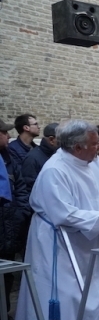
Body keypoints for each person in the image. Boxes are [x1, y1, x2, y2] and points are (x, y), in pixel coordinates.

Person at [13, 120, 99, 320]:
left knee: (89, 295)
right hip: (58, 244)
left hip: (88, 241)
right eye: (94, 144)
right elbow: (62, 213)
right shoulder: (55, 170)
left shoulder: (93, 162)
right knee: (65, 298)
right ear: (76, 147)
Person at [0, 119, 31, 309]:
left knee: (7, 273)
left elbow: (20, 188)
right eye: (4, 133)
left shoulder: (8, 158)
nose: (9, 136)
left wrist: (20, 213)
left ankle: (4, 314)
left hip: (9, 226)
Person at [21, 122, 59, 191]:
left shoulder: (57, 155)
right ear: (51, 140)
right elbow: (29, 188)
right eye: (61, 139)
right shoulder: (32, 159)